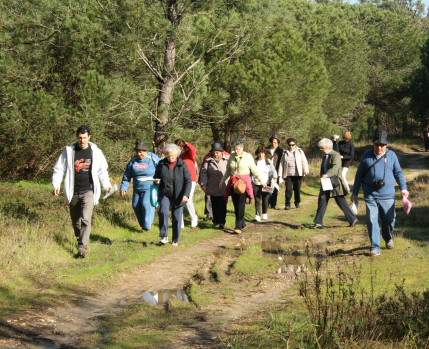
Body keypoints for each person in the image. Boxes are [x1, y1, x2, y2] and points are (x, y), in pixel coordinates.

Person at [52, 125, 112, 258]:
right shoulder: (69, 152)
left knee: (86, 219)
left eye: (84, 138)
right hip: (73, 191)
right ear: (76, 137)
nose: (82, 140)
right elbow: (59, 169)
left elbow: (102, 170)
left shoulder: (95, 152)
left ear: (89, 137)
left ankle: (82, 248)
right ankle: (81, 239)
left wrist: (106, 185)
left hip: (88, 191)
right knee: (76, 221)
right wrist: (56, 185)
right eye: (80, 138)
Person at [351, 130, 408, 256]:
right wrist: (355, 193)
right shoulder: (366, 155)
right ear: (373, 144)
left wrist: (403, 189)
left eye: (382, 145)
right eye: (377, 144)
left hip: (387, 195)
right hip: (370, 194)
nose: (379, 148)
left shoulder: (392, 155)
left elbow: (398, 173)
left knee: (389, 220)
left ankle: (388, 238)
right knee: (372, 220)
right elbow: (359, 175)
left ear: (386, 145)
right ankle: (375, 247)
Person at [311, 138, 357, 229]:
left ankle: (352, 219)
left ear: (328, 147)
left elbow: (335, 168)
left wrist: (327, 175)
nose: (321, 150)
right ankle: (318, 223)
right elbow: (323, 168)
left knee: (340, 200)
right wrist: (323, 177)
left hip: (335, 182)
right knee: (322, 200)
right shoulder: (325, 156)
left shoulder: (336, 155)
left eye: (322, 148)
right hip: (326, 182)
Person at [220, 138, 264, 234]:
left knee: (241, 204)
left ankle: (238, 226)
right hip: (233, 183)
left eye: (238, 149)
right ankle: (243, 223)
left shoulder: (248, 157)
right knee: (236, 205)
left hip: (243, 184)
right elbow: (228, 170)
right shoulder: (231, 156)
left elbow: (254, 169)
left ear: (242, 148)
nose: (236, 151)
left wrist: (261, 180)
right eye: (234, 149)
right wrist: (222, 181)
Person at [154, 143, 192, 246]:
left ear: (177, 155)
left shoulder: (182, 164)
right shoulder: (161, 164)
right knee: (163, 212)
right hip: (165, 194)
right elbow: (156, 176)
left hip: (179, 195)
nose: (170, 157)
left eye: (173, 155)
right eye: (168, 155)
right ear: (166, 154)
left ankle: (175, 239)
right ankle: (164, 236)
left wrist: (186, 194)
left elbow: (188, 180)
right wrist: (156, 181)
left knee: (176, 217)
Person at [120, 140, 160, 232]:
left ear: (145, 150)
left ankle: (147, 226)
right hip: (137, 187)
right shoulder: (133, 160)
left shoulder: (152, 158)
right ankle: (143, 225)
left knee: (146, 204)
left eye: (141, 151)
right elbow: (127, 174)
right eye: (137, 151)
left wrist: (159, 178)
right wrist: (123, 187)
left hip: (149, 186)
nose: (139, 153)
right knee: (135, 205)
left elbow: (162, 168)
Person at [199, 142, 230, 229]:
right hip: (212, 186)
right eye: (214, 152)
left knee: (222, 205)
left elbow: (231, 171)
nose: (216, 154)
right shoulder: (208, 160)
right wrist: (203, 184)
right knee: (214, 204)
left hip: (223, 186)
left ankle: (222, 222)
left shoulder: (227, 159)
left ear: (221, 152)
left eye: (218, 152)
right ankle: (215, 221)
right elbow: (203, 172)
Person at [278, 137, 309, 210]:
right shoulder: (285, 152)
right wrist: (280, 174)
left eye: (293, 145)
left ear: (295, 144)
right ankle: (287, 204)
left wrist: (306, 170)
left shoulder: (300, 151)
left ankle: (297, 202)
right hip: (288, 174)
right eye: (290, 145)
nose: (291, 146)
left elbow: (304, 161)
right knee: (288, 190)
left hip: (298, 174)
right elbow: (281, 163)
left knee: (297, 189)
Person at [174, 139, 198, 228]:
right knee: (179, 199)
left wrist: (186, 143)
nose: (179, 151)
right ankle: (181, 222)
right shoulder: (176, 156)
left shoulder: (189, 154)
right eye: (177, 149)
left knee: (188, 199)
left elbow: (193, 148)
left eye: (180, 148)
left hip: (191, 179)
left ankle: (194, 217)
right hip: (180, 180)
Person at [252, 146, 277, 221]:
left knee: (265, 199)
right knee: (257, 199)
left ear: (265, 153)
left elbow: (273, 171)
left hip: (267, 183)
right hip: (256, 183)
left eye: (262, 153)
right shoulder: (254, 161)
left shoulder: (268, 161)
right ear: (257, 154)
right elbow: (251, 171)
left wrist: (275, 178)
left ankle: (264, 213)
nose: (261, 155)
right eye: (260, 153)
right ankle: (257, 215)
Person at [266, 134, 283, 209]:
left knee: (275, 188)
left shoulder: (281, 151)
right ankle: (267, 202)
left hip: (276, 171)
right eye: (272, 142)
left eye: (275, 142)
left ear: (278, 143)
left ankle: (273, 204)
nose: (274, 143)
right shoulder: (266, 150)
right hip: (267, 171)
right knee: (267, 187)